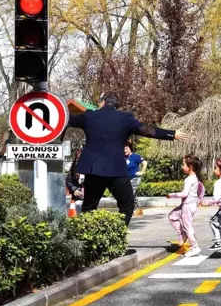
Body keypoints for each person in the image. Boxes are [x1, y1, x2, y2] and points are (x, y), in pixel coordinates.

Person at [66, 92, 189, 225]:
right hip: (116, 170)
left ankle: (90, 241)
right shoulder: (125, 119)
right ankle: (117, 234)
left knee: (89, 208)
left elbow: (67, 119)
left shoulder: (89, 116)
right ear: (117, 106)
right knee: (127, 205)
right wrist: (172, 134)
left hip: (93, 170)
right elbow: (147, 131)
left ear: (103, 102)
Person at [166, 155, 205, 257]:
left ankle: (195, 246)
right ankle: (182, 234)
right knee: (172, 216)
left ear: (190, 166)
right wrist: (200, 199)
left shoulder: (189, 179)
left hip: (187, 206)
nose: (182, 166)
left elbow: (184, 194)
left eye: (183, 164)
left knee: (188, 227)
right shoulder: (195, 178)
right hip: (187, 205)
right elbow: (202, 189)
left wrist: (172, 195)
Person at [124, 142, 147, 217]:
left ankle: (130, 210)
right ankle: (139, 210)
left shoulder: (135, 156)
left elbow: (145, 163)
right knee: (133, 195)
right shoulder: (124, 157)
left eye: (126, 149)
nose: (125, 150)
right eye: (124, 149)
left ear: (130, 148)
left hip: (135, 178)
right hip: (127, 179)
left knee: (130, 193)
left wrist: (142, 172)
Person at [66, 148, 85, 213]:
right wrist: (74, 189)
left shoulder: (92, 166)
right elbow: (68, 180)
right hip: (78, 197)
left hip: (90, 198)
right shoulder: (74, 167)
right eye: (77, 157)